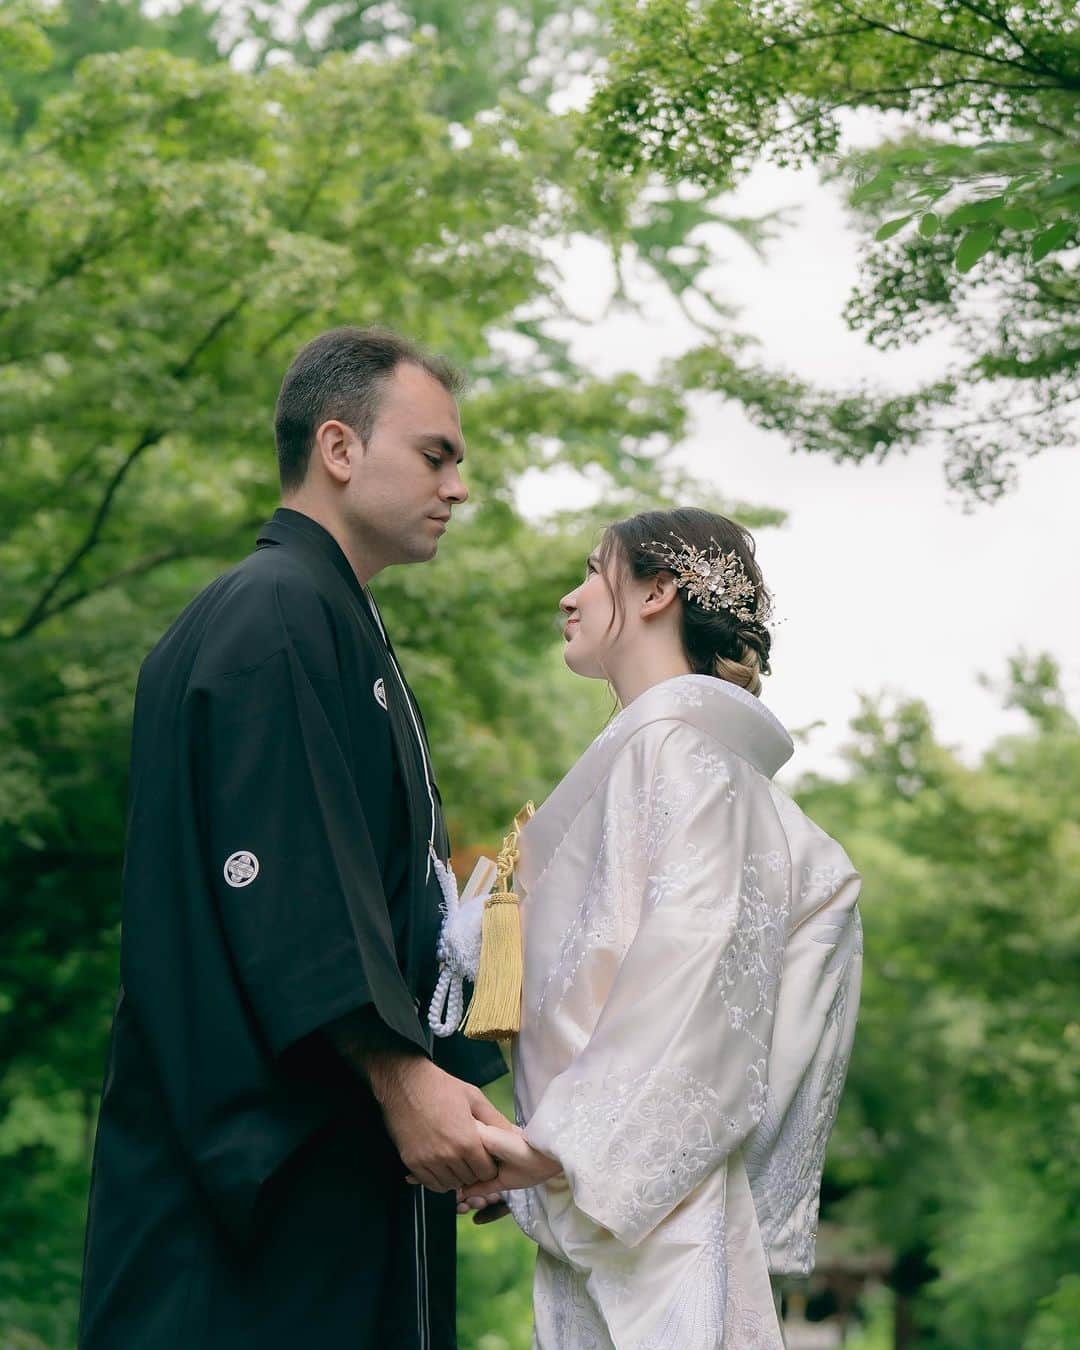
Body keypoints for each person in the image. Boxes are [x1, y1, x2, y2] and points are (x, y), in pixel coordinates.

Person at [79, 326, 509, 1349]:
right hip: (250, 1185)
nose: (458, 488)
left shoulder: (331, 618)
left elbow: (389, 906)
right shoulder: (269, 610)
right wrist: (405, 1079)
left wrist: (456, 1096)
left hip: (332, 1169)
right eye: (436, 455)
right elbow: (288, 881)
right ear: (340, 448)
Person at [458, 508, 863, 1349]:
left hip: (656, 1223)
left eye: (592, 573)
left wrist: (561, 1145)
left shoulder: (679, 752)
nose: (570, 599)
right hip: (637, 1198)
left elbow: (697, 975)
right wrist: (542, 1155)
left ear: (656, 592)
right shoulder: (690, 762)